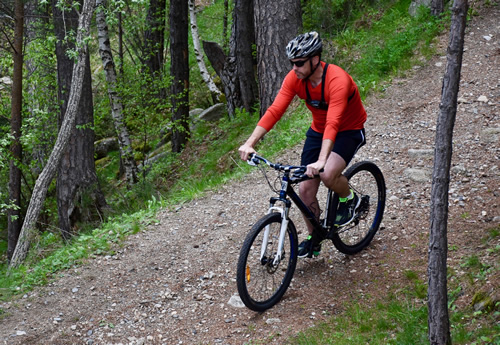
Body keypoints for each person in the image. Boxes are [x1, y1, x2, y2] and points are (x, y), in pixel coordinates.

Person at [238, 31, 367, 258]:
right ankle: (314, 238)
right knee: (305, 190)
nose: (294, 68)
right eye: (292, 63)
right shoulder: (295, 79)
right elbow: (275, 110)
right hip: (318, 131)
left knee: (327, 174)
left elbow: (334, 122)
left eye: (298, 63)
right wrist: (250, 143)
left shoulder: (337, 79)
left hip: (348, 130)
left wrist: (321, 161)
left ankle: (350, 199)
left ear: (315, 59)